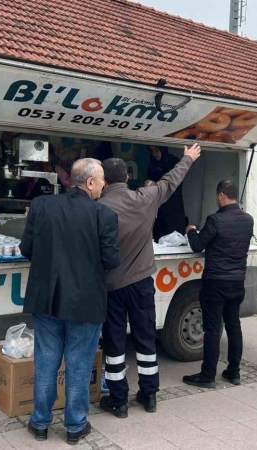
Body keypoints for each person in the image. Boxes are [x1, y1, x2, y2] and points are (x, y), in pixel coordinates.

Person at [19, 158, 120, 444]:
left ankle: (40, 423)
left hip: (46, 300)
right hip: (85, 303)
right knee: (78, 365)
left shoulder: (40, 205)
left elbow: (27, 248)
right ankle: (75, 428)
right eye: (101, 180)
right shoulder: (105, 215)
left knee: (46, 362)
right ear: (90, 182)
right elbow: (111, 260)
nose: (103, 185)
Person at [97, 143, 201, 418]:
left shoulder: (97, 209)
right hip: (142, 284)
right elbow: (171, 181)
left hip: (111, 287)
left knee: (115, 344)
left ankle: (118, 402)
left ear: (103, 181)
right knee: (145, 340)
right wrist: (188, 158)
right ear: (128, 178)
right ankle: (150, 395)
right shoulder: (145, 198)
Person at [181, 180, 254, 389]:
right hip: (237, 281)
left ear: (221, 195)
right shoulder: (247, 220)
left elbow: (197, 245)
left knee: (212, 330)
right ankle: (234, 371)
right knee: (234, 327)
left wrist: (191, 230)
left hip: (215, 282)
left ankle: (208, 376)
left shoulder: (216, 220)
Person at [147, 146, 187, 241]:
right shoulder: (152, 164)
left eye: (156, 150)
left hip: (173, 203)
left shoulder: (173, 161)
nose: (154, 153)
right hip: (159, 203)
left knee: (175, 235)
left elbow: (178, 178)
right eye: (151, 151)